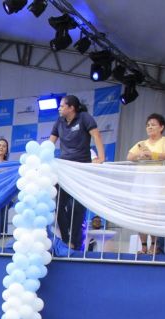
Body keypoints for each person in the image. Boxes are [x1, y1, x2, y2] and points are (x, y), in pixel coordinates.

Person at [49, 95, 105, 250]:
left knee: (77, 208)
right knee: (58, 204)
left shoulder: (84, 118)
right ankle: (68, 240)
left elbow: (96, 135)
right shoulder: (59, 122)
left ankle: (75, 242)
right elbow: (50, 143)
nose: (59, 108)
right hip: (64, 170)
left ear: (71, 107)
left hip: (81, 170)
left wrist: (101, 157)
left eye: (62, 106)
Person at [127, 113, 165, 255]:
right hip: (141, 181)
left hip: (157, 181)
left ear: (162, 127)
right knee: (139, 215)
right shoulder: (142, 143)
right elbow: (129, 156)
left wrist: (153, 155)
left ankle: (154, 245)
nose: (150, 127)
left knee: (152, 214)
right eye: (148, 125)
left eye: (153, 124)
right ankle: (143, 246)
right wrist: (140, 156)